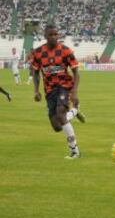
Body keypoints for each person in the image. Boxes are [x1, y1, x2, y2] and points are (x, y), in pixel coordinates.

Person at [31, 24, 86, 159]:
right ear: (45, 36)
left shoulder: (66, 51)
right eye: (51, 35)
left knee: (61, 114)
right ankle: (75, 111)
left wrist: (74, 91)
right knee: (57, 126)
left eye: (56, 34)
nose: (54, 37)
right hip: (49, 90)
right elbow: (36, 73)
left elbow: (76, 73)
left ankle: (75, 151)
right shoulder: (37, 53)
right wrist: (36, 91)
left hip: (64, 86)